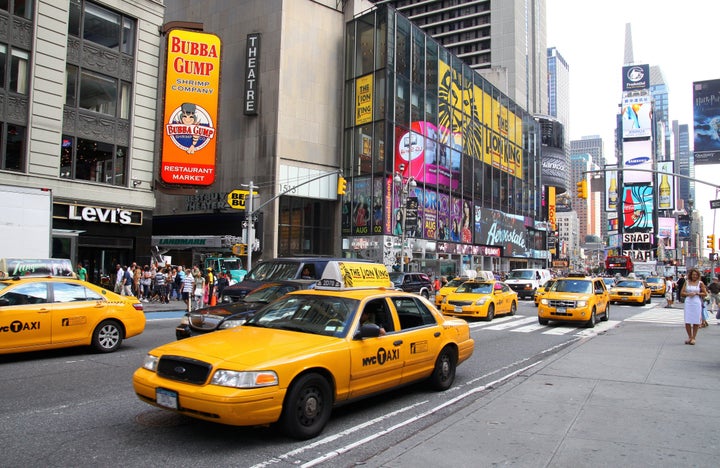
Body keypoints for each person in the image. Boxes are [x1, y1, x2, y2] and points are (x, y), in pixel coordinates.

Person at [680, 268, 707, 345]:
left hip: (696, 302)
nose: (694, 276)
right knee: (687, 320)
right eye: (693, 275)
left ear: (698, 275)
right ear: (690, 275)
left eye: (696, 275)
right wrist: (688, 294)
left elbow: (705, 293)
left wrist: (697, 293)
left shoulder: (700, 283)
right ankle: (689, 337)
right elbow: (682, 293)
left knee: (696, 320)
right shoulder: (687, 282)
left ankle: (693, 337)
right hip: (688, 302)